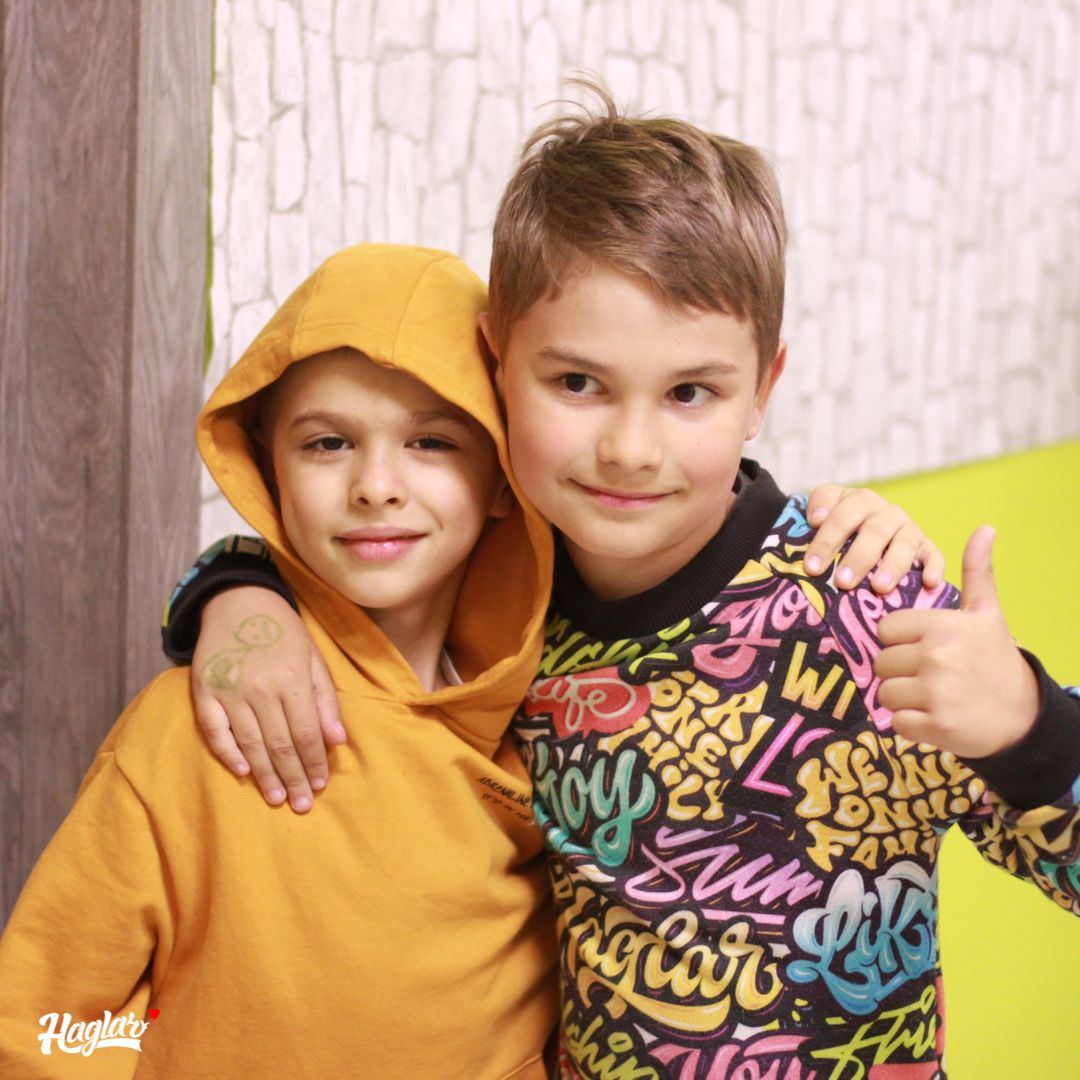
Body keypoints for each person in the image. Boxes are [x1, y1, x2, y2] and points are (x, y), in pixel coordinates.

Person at [167, 86, 1080, 1078]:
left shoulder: (866, 606)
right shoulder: (500, 594)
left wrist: (1027, 724)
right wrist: (238, 594)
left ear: (762, 391)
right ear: (496, 364)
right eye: (578, 383)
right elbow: (338, 572)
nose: (631, 448)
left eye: (690, 392)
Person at [0, 244, 560, 1079]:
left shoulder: (558, 722)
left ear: (505, 478)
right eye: (328, 443)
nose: (376, 485)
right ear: (267, 467)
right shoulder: (193, 731)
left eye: (432, 442)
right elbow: (42, 1027)